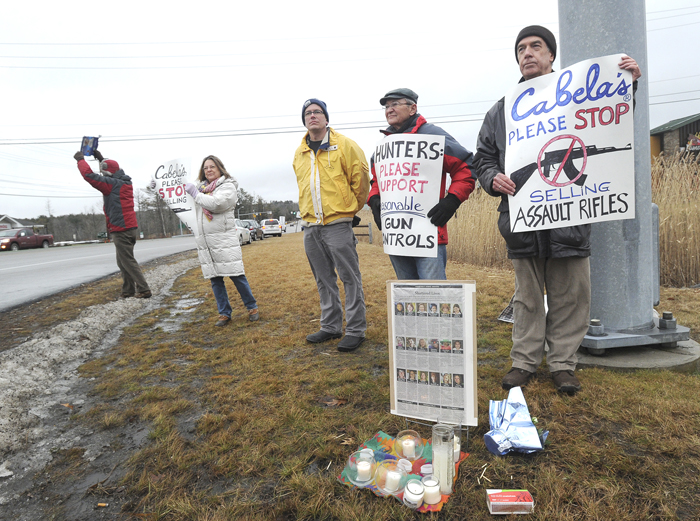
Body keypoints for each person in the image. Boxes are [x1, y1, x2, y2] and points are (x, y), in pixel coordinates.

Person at [473, 25, 642, 394]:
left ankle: (563, 364)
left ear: (551, 56)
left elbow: (610, 119)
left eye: (536, 46)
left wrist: (628, 83)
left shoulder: (581, 96)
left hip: (571, 220)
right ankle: (524, 362)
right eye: (521, 49)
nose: (528, 53)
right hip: (522, 220)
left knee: (571, 296)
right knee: (527, 298)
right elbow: (482, 158)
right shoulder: (502, 109)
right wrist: (492, 178)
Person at [367, 88, 476, 280]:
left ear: (412, 108)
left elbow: (466, 167)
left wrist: (452, 199)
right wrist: (374, 197)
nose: (389, 110)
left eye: (394, 104)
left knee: (433, 295)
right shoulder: (385, 145)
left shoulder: (432, 135)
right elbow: (378, 178)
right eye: (386, 106)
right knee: (407, 295)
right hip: (397, 236)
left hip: (428, 233)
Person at [292, 98, 370, 352]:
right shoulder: (300, 152)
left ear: (326, 118)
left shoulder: (345, 145)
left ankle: (356, 329)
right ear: (304, 120)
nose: (312, 116)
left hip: (338, 223)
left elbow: (361, 181)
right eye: (308, 113)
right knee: (323, 279)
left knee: (349, 277)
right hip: (311, 226)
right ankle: (331, 326)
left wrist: (350, 210)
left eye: (317, 112)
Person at [183, 155, 259, 327]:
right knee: (215, 279)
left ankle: (252, 307)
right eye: (205, 168)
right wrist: (162, 189)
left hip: (224, 240)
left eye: (212, 167)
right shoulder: (201, 189)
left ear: (220, 168)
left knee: (236, 275)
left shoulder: (228, 187)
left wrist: (195, 194)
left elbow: (216, 204)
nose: (208, 170)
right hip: (206, 242)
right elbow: (183, 203)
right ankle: (224, 313)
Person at [73, 149, 151, 299]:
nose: (103, 176)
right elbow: (108, 172)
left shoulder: (112, 184)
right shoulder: (123, 182)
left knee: (127, 261)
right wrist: (101, 159)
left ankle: (144, 289)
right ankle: (128, 290)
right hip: (128, 227)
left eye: (104, 173)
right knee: (123, 261)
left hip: (121, 228)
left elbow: (90, 176)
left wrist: (80, 160)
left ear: (109, 174)